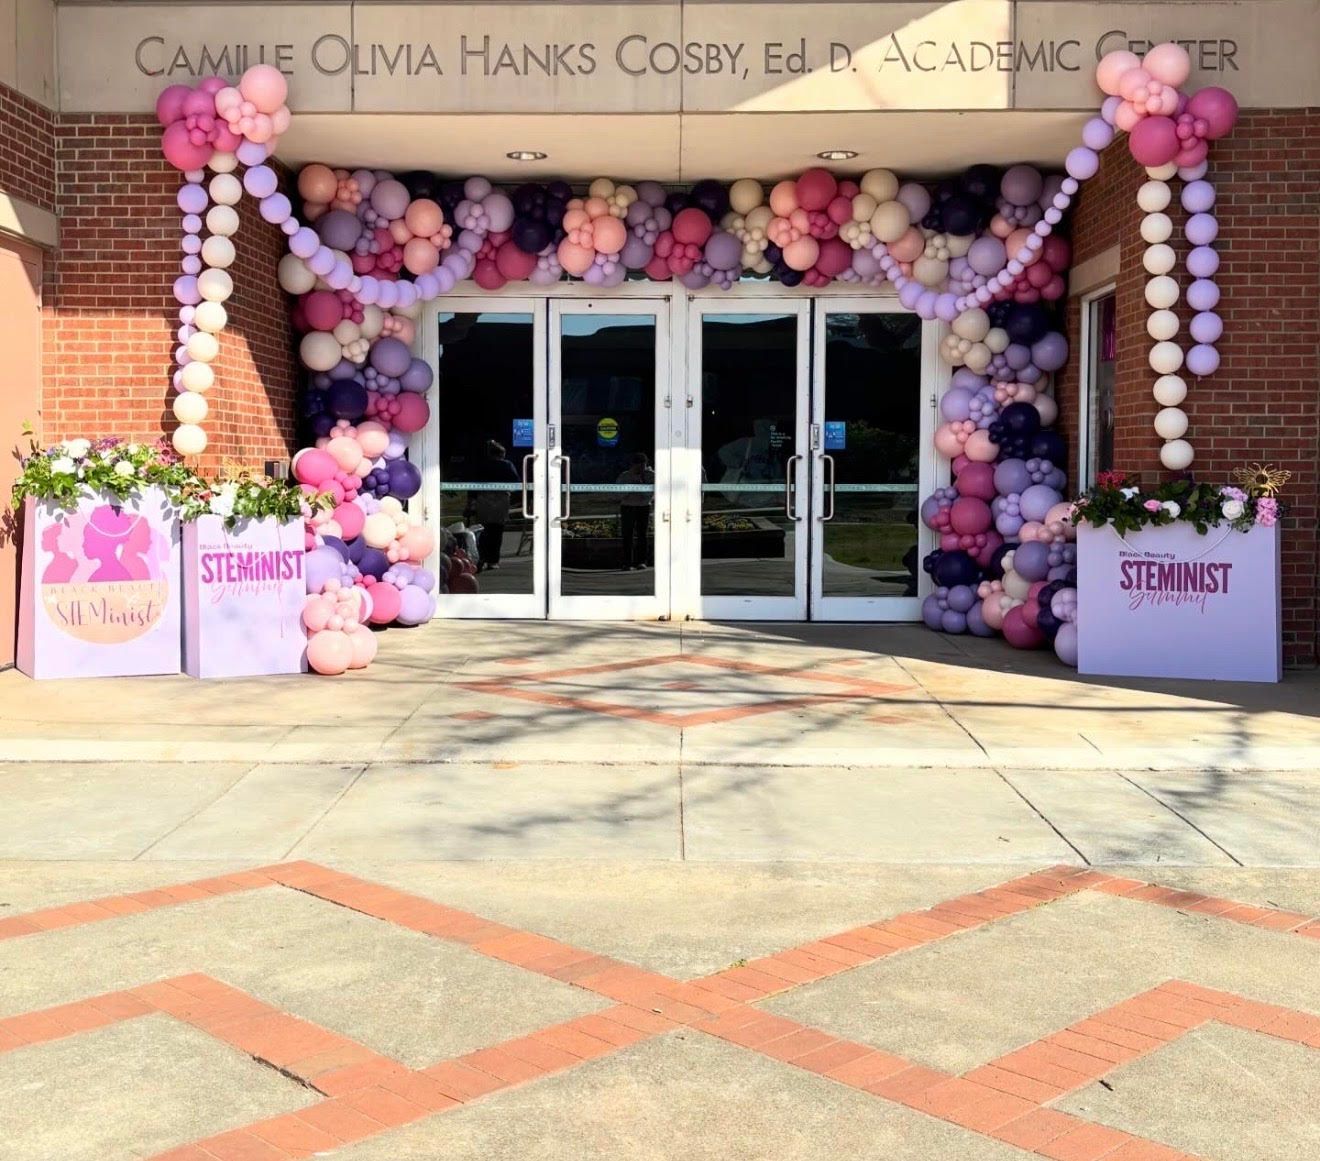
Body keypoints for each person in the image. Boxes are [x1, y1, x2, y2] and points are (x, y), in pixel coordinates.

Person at [466, 440, 519, 571]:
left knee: (482, 531)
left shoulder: (482, 466)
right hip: (501, 501)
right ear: (502, 454)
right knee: (497, 532)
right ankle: (493, 561)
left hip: (483, 500)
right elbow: (515, 483)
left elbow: (473, 486)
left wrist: (470, 503)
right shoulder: (507, 465)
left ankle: (481, 558)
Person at [616, 452, 654, 570]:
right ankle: (627, 562)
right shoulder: (624, 476)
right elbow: (618, 494)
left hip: (643, 506)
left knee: (642, 534)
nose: (640, 469)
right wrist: (631, 487)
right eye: (638, 467)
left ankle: (642, 561)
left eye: (643, 466)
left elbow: (651, 493)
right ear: (632, 465)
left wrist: (641, 486)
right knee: (628, 535)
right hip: (628, 506)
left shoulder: (650, 475)